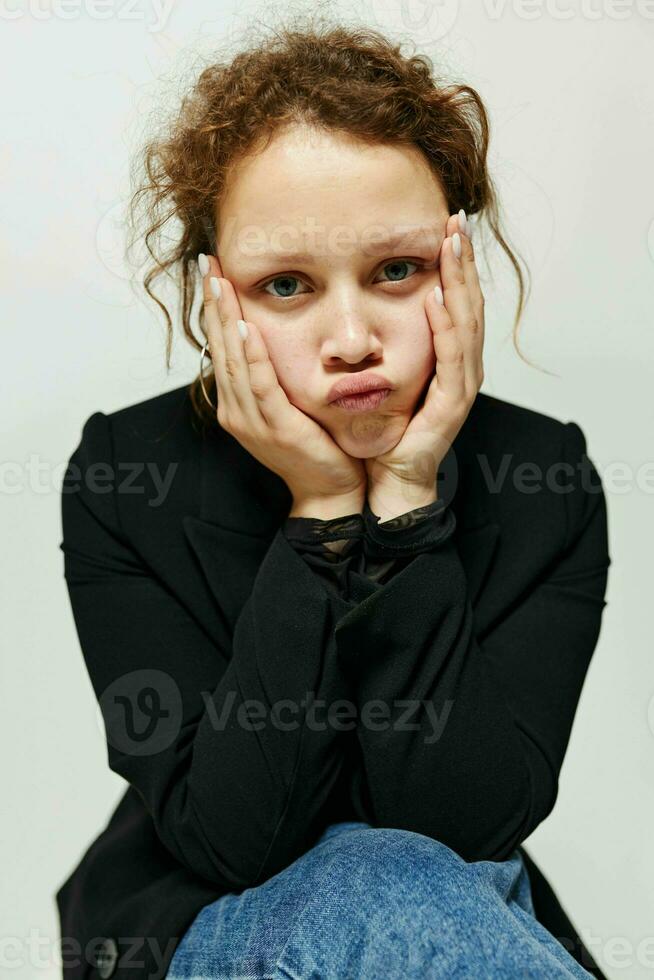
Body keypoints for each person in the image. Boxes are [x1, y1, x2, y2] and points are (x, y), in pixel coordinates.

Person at [55, 15, 611, 980]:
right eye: (286, 286)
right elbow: (232, 839)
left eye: (397, 270)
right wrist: (319, 514)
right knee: (364, 875)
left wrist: (406, 506)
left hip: (455, 924)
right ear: (214, 296)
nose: (350, 336)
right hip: (204, 924)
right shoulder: (122, 475)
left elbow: (464, 828)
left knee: (394, 870)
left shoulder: (544, 481)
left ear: (461, 264)